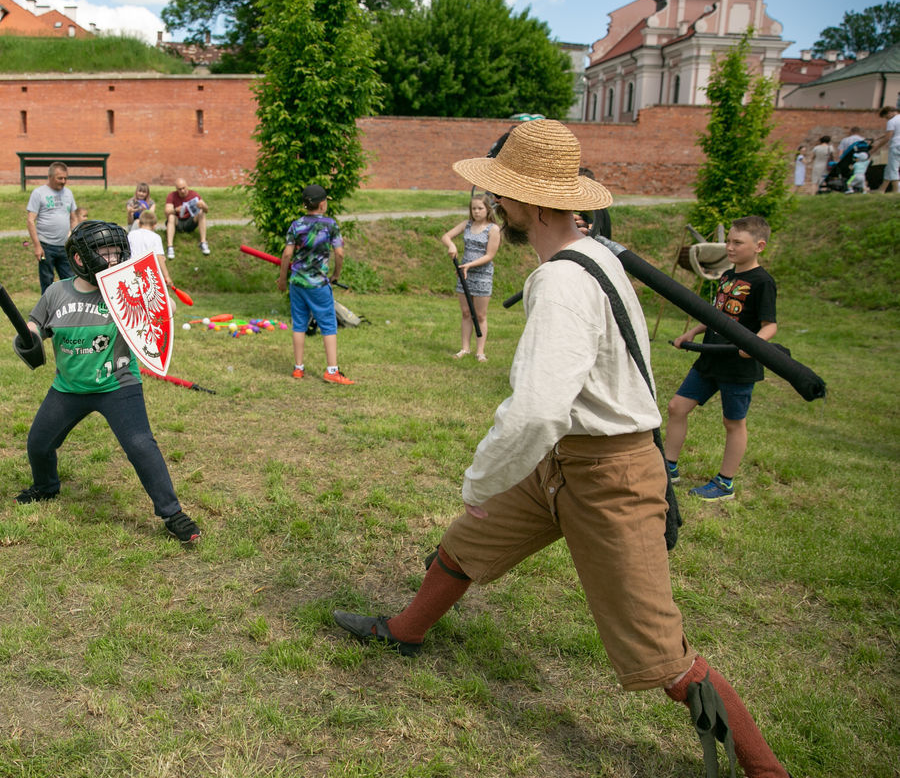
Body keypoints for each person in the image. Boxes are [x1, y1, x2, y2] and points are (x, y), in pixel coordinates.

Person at [332, 119, 789, 778]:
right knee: (468, 542)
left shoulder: (564, 280)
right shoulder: (595, 255)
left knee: (662, 654)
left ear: (525, 203)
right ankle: (406, 631)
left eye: (505, 193)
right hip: (562, 461)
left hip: (610, 475)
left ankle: (766, 769)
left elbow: (539, 409)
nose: (502, 205)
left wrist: (479, 479)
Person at [14, 220, 202, 546]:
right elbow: (35, 325)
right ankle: (46, 486)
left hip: (119, 384)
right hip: (69, 387)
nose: (112, 259)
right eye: (103, 252)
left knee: (141, 446)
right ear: (79, 258)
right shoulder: (56, 292)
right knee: (38, 445)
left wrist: (161, 302)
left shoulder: (125, 288)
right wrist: (26, 336)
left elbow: (161, 309)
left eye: (116, 252)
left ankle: (172, 514)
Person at [664, 215, 778, 502]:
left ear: (759, 246)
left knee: (733, 423)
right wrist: (691, 332)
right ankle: (669, 468)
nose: (729, 247)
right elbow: (717, 315)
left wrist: (752, 344)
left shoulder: (763, 282)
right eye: (729, 240)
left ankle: (725, 483)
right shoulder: (728, 276)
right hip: (710, 358)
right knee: (677, 407)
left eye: (737, 242)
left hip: (738, 365)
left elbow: (770, 325)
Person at [276, 184, 353, 385]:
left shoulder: (296, 225)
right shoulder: (330, 225)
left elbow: (286, 254)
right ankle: (332, 371)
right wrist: (336, 274)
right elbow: (339, 253)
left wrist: (283, 279)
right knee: (328, 324)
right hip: (318, 284)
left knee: (299, 324)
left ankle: (298, 368)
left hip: (297, 283)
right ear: (322, 204)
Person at [441, 195, 500, 360]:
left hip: (482, 274)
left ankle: (480, 352)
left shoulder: (493, 229)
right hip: (464, 273)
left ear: (488, 209)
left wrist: (469, 265)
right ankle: (464, 349)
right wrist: (451, 245)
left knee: (480, 315)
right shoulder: (467, 224)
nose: (476, 211)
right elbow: (446, 236)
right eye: (474, 208)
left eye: (480, 208)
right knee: (466, 313)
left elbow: (490, 255)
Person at [26, 162, 80, 294]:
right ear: (50, 177)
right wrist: (37, 246)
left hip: (65, 246)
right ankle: (47, 311)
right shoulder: (39, 193)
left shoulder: (68, 193)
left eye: (65, 178)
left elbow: (73, 218)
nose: (63, 181)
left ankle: (69, 310)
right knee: (47, 282)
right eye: (60, 178)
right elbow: (30, 220)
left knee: (70, 281)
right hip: (46, 246)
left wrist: (74, 237)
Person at [164, 178, 211, 259]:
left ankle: (203, 242)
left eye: (184, 188)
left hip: (190, 221)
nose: (182, 191)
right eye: (180, 189)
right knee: (171, 216)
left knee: (201, 212)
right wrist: (175, 210)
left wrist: (203, 206)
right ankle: (170, 247)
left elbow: (207, 210)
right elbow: (166, 212)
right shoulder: (172, 196)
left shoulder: (194, 194)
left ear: (187, 186)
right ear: (176, 189)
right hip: (178, 222)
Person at [127, 209, 174, 289]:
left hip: (131, 271)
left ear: (139, 223)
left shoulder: (131, 234)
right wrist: (167, 276)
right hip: (148, 274)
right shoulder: (156, 237)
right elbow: (159, 258)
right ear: (154, 225)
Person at [881, 106, 900, 194]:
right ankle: (881, 189)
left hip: (896, 145)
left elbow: (887, 138)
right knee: (889, 168)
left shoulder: (892, 121)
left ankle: (896, 191)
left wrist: (875, 148)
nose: (886, 119)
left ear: (889, 113)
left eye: (886, 117)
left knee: (893, 168)